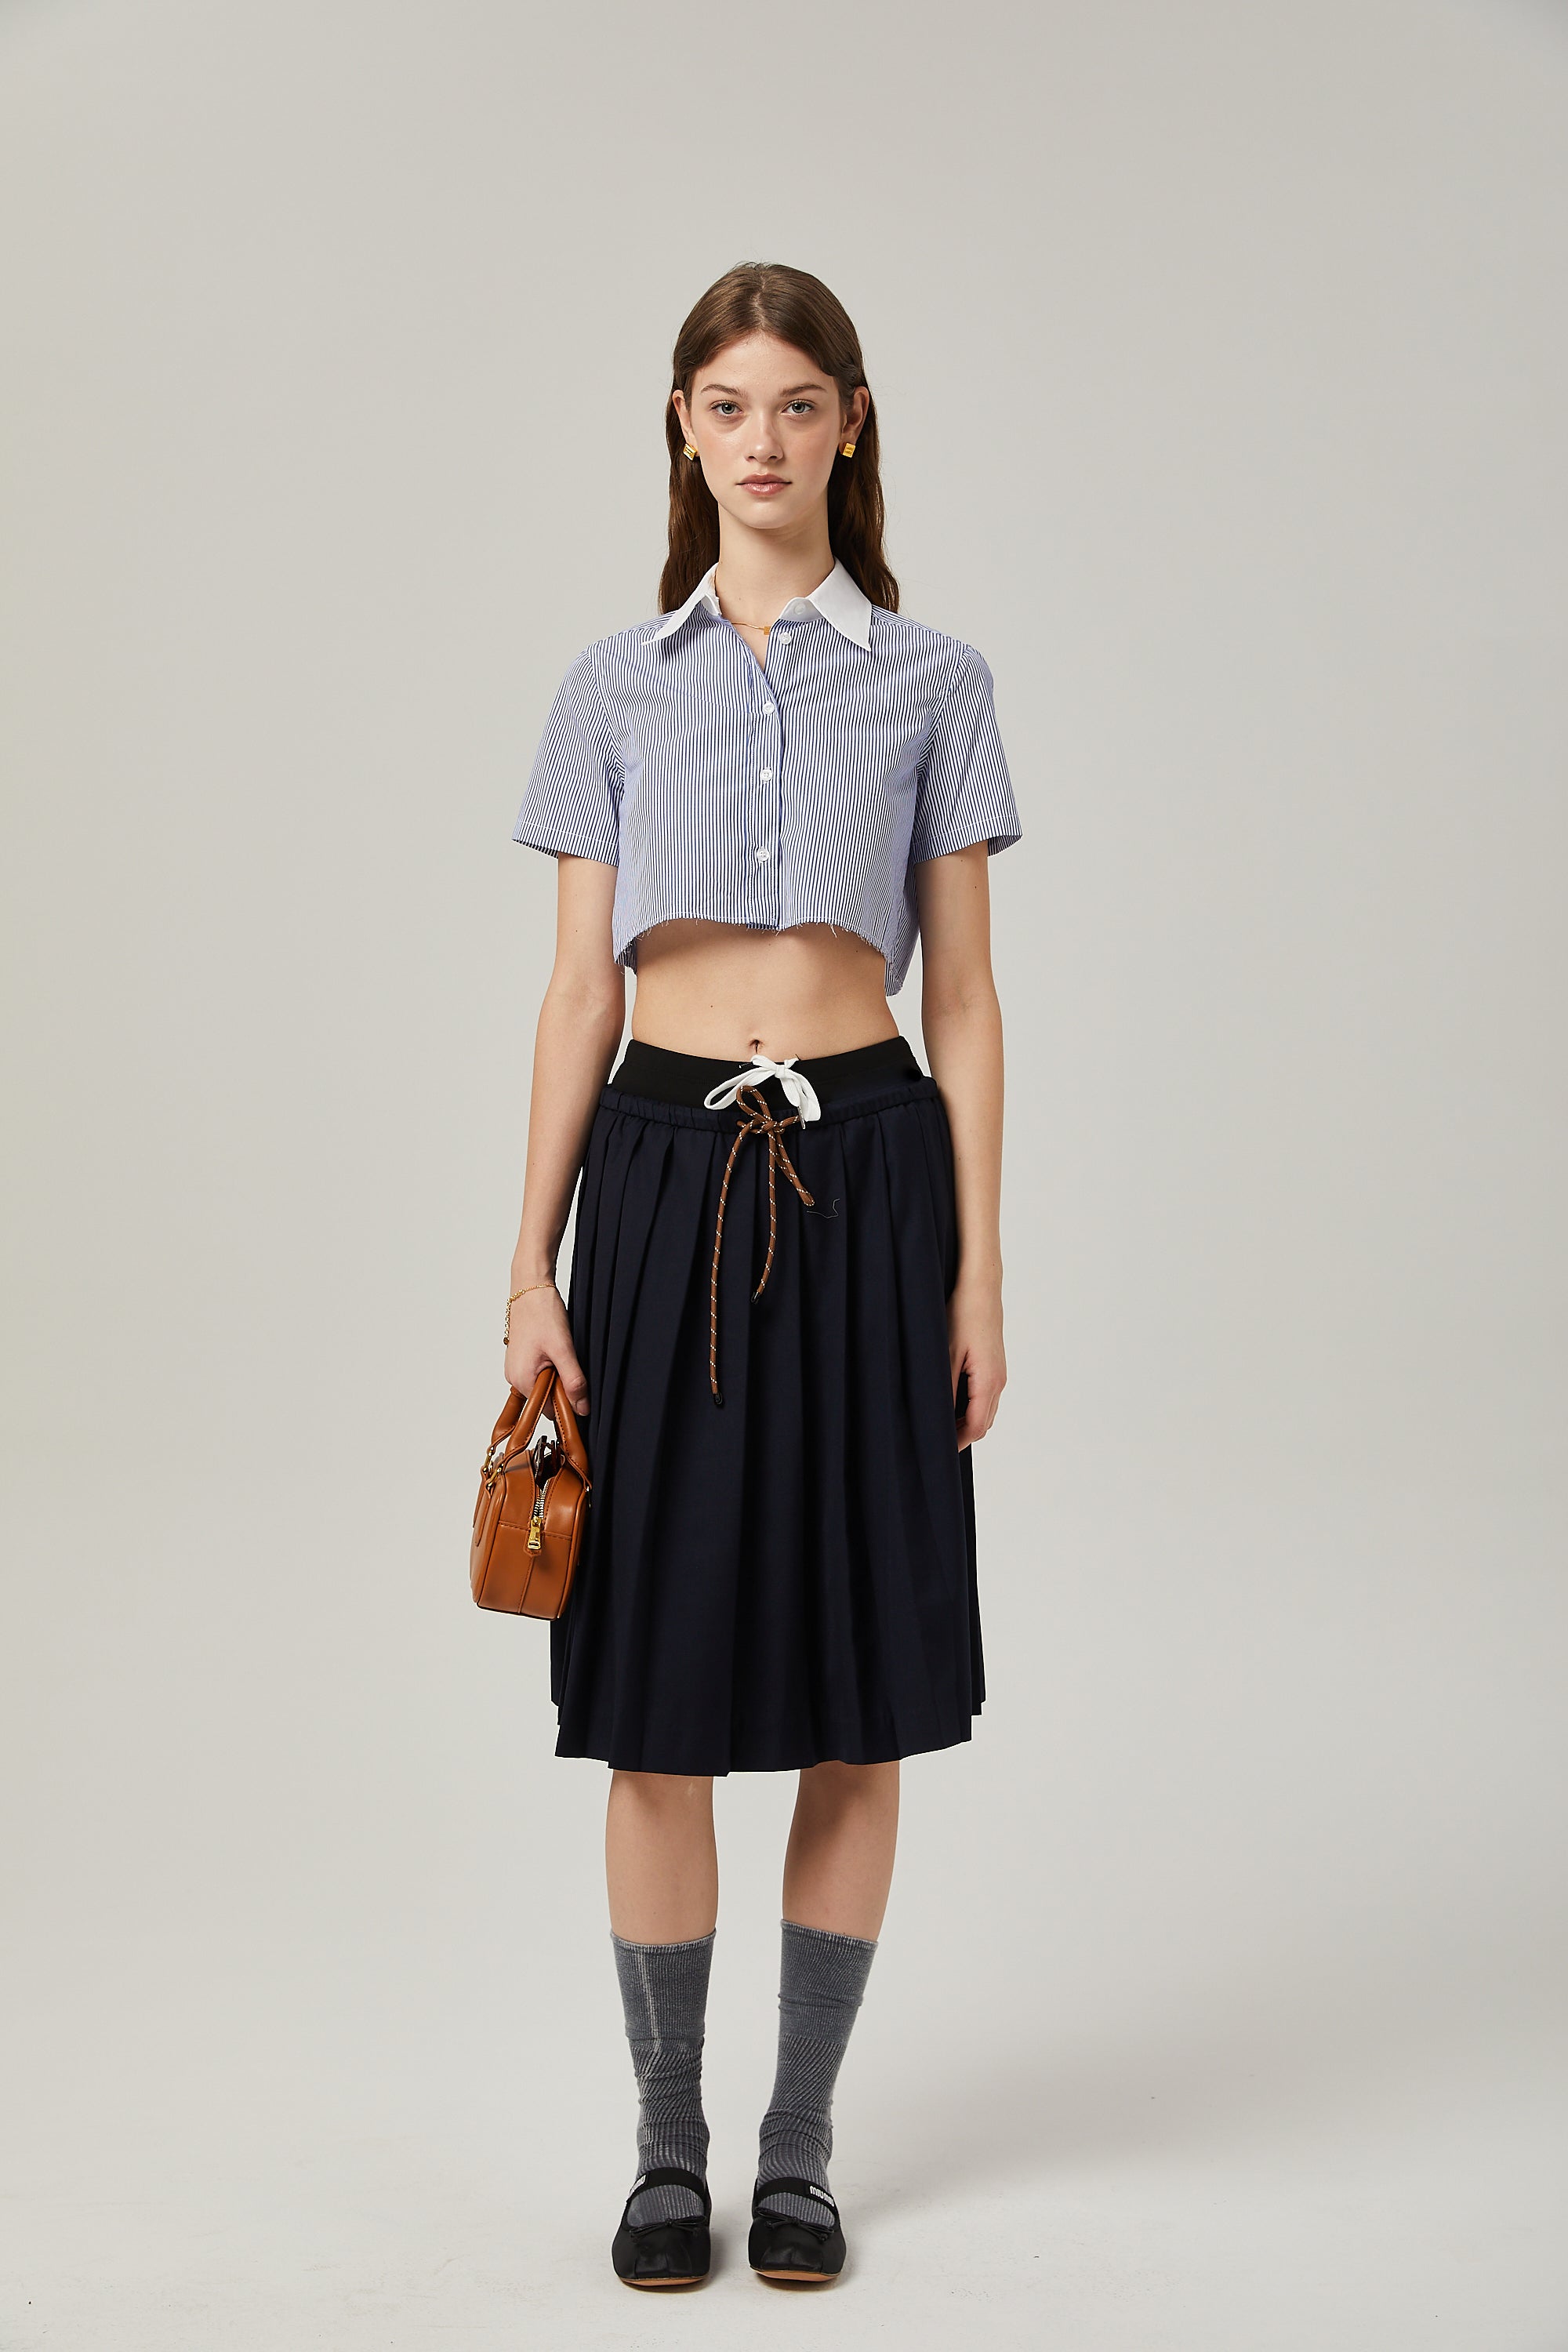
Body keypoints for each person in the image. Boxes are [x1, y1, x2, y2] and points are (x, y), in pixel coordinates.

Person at [503, 260, 1022, 2290]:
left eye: (799, 402)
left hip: (873, 1175)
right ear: (684, 427)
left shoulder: (936, 679)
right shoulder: (609, 685)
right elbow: (575, 993)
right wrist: (527, 1269)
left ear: (851, 423)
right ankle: (668, 2150)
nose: (764, 438)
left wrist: (981, 1271)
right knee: (650, 1700)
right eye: (728, 403)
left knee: (858, 1693)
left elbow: (965, 998)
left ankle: (798, 2149)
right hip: (656, 1180)